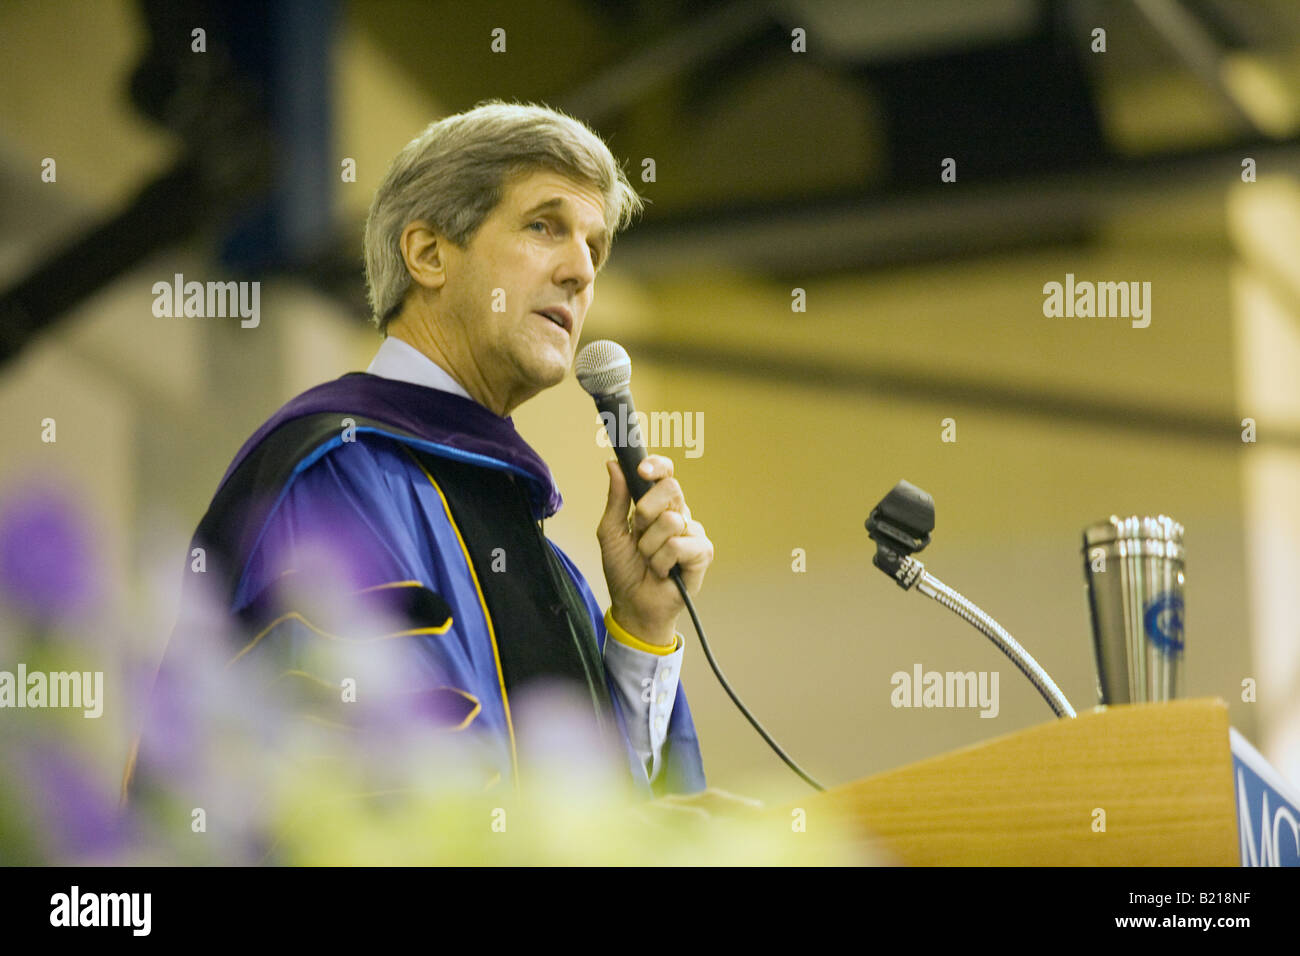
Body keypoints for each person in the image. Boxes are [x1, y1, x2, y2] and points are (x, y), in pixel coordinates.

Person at [126, 101, 713, 806]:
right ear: (428, 254)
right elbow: (376, 796)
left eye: (595, 246)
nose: (582, 272)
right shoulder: (342, 469)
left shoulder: (547, 567)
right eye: (544, 226)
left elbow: (609, 821)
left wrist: (642, 626)